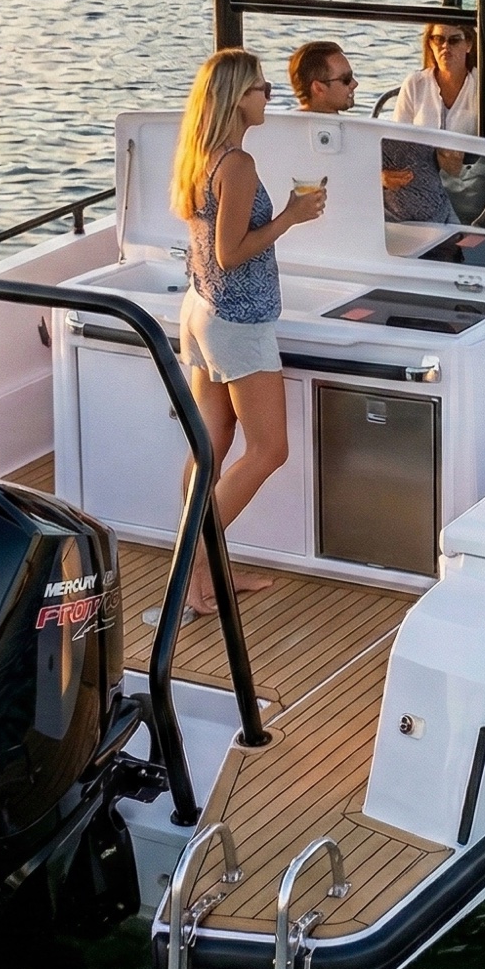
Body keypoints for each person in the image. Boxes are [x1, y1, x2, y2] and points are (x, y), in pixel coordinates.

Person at [169, 48, 326, 619]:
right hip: (236, 319)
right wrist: (289, 216)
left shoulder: (200, 156)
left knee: (208, 451)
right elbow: (230, 253)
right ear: (238, 98)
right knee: (269, 450)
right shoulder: (237, 165)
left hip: (202, 309)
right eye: (261, 88)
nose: (268, 95)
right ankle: (194, 566)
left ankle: (200, 576)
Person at [384, 22, 478, 222]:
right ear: (430, 44)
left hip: (468, 186)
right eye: (438, 39)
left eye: (454, 40)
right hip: (419, 185)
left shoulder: (483, 88)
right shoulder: (414, 84)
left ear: (469, 44)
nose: (445, 47)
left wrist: (459, 167)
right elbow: (397, 143)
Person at [288, 40, 357, 115]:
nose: (355, 83)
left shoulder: (281, 124)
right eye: (346, 79)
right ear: (318, 88)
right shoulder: (354, 126)